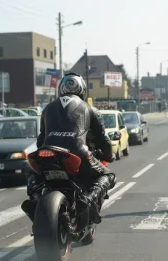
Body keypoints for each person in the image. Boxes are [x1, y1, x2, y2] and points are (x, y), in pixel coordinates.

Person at [21, 72, 116, 224]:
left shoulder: (48, 108)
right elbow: (102, 138)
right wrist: (108, 155)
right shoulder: (90, 109)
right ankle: (88, 199)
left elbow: (41, 139)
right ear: (83, 90)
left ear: (61, 88)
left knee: (31, 171)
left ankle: (35, 199)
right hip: (78, 153)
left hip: (48, 152)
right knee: (108, 176)